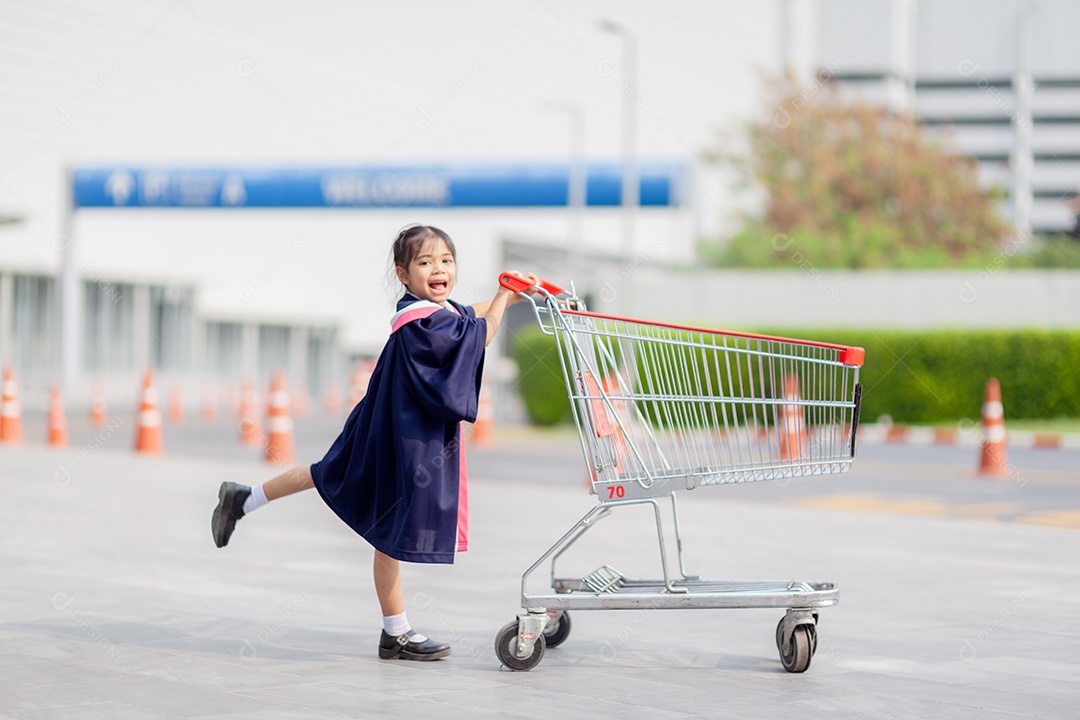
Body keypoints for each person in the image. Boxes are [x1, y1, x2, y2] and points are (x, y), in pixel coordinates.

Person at [211, 224, 537, 661]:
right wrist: (502, 303)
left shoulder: (426, 312)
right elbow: (476, 334)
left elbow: (467, 318)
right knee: (383, 523)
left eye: (446, 260)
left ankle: (245, 498)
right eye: (425, 262)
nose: (438, 269)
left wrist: (508, 296)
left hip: (382, 423)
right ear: (403, 273)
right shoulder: (426, 321)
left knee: (326, 475)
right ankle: (395, 632)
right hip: (400, 437)